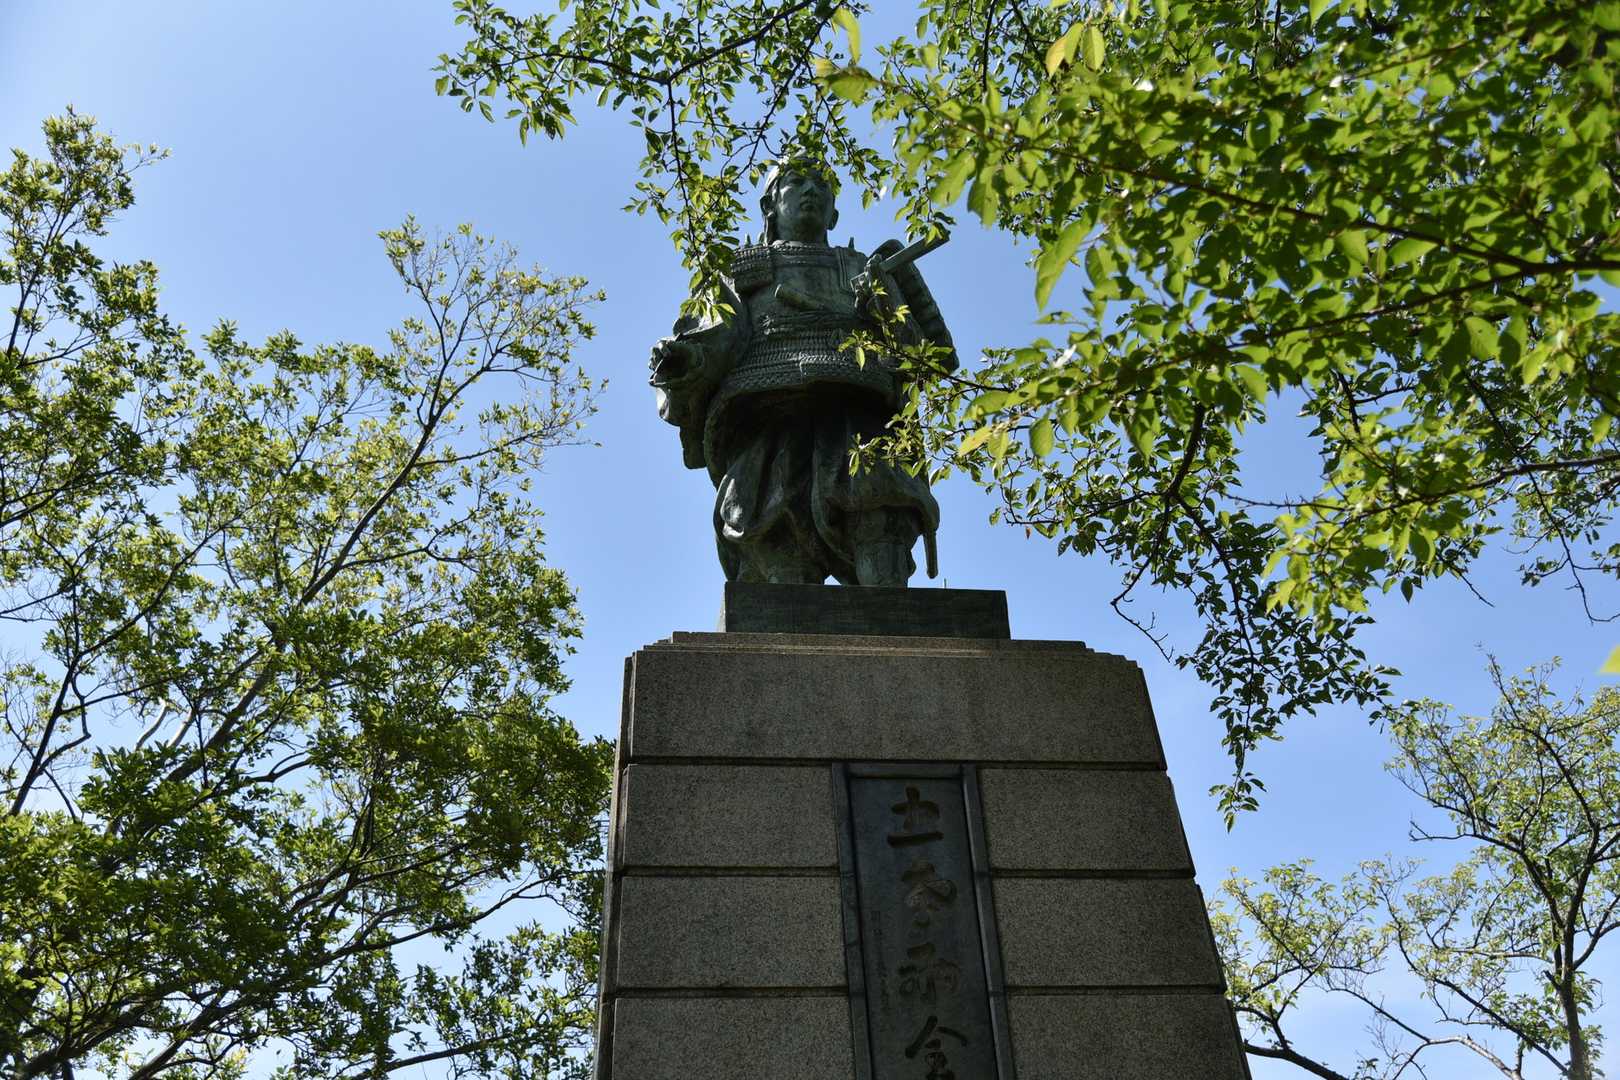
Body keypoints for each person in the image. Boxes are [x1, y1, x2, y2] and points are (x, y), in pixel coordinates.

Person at [648, 159, 957, 586]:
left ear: (834, 213)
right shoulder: (744, 269)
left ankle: (898, 622)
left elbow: (926, 358)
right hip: (768, 416)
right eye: (795, 181)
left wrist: (885, 309)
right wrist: (683, 359)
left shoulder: (865, 269)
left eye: (821, 184)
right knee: (775, 536)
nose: (811, 189)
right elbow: (714, 337)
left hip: (861, 413)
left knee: (882, 517)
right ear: (769, 205)